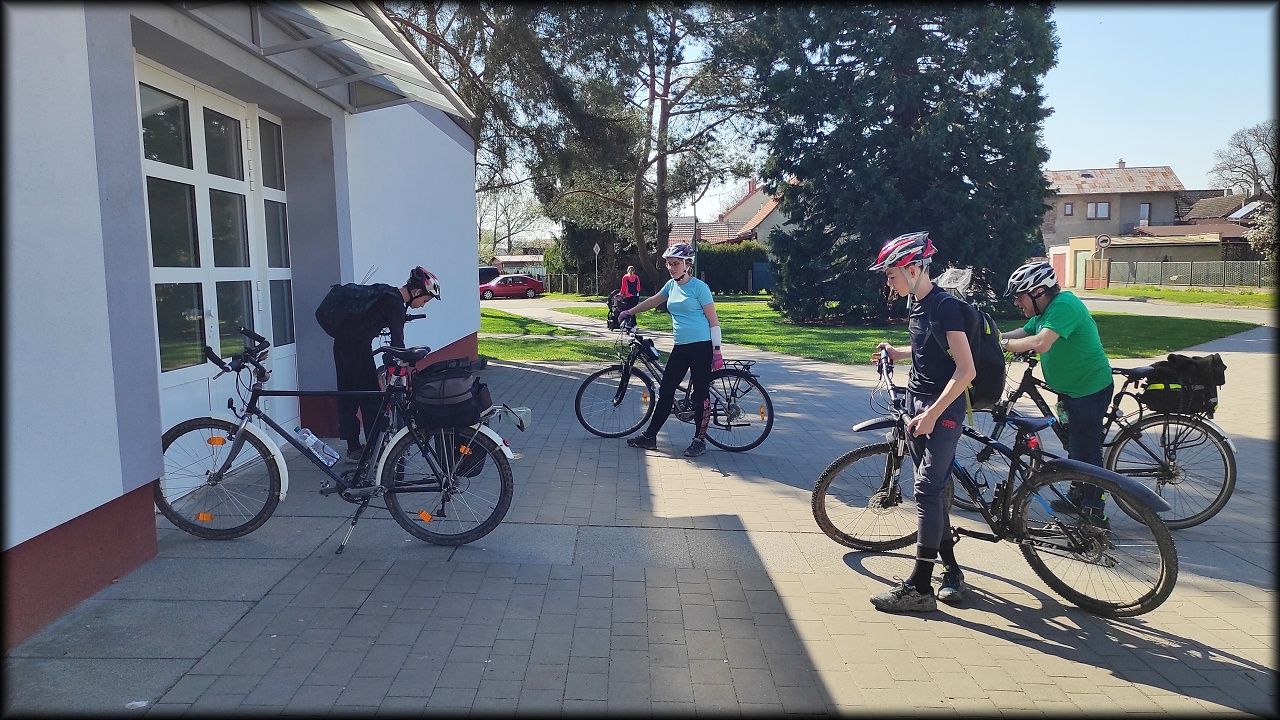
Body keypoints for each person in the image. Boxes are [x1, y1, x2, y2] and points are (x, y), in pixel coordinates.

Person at [867, 231, 976, 612]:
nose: (889, 282)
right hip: (916, 403)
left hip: (941, 409)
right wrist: (897, 353)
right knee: (935, 492)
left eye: (892, 274)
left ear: (913, 270)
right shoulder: (919, 305)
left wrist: (932, 414)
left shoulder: (946, 307)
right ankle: (952, 571)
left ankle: (920, 587)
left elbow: (966, 370)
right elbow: (927, 349)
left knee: (927, 490)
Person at [998, 260, 1113, 525]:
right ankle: (1077, 494)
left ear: (1038, 292)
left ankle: (1096, 510)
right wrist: (994, 338)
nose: (1016, 302)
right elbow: (1024, 332)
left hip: (1089, 389)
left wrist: (1004, 344)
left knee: (1087, 451)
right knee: (1074, 444)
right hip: (1071, 390)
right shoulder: (1044, 312)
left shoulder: (1064, 305)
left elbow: (1041, 342)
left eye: (1019, 296)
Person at [618, 243, 723, 457]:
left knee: (700, 393)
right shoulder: (671, 286)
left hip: (701, 346)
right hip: (681, 346)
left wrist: (717, 351)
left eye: (675, 264)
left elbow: (714, 322)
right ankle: (650, 437)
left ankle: (699, 440)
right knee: (666, 391)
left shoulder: (699, 288)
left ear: (687, 264)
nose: (671, 268)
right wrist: (630, 311)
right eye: (668, 264)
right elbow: (653, 301)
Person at [333, 266, 441, 461]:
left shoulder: (387, 293)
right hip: (357, 349)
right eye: (425, 300)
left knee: (348, 396)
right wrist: (405, 360)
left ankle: (353, 448)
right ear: (417, 292)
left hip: (341, 344)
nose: (423, 305)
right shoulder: (395, 304)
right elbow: (398, 343)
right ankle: (374, 451)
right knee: (370, 398)